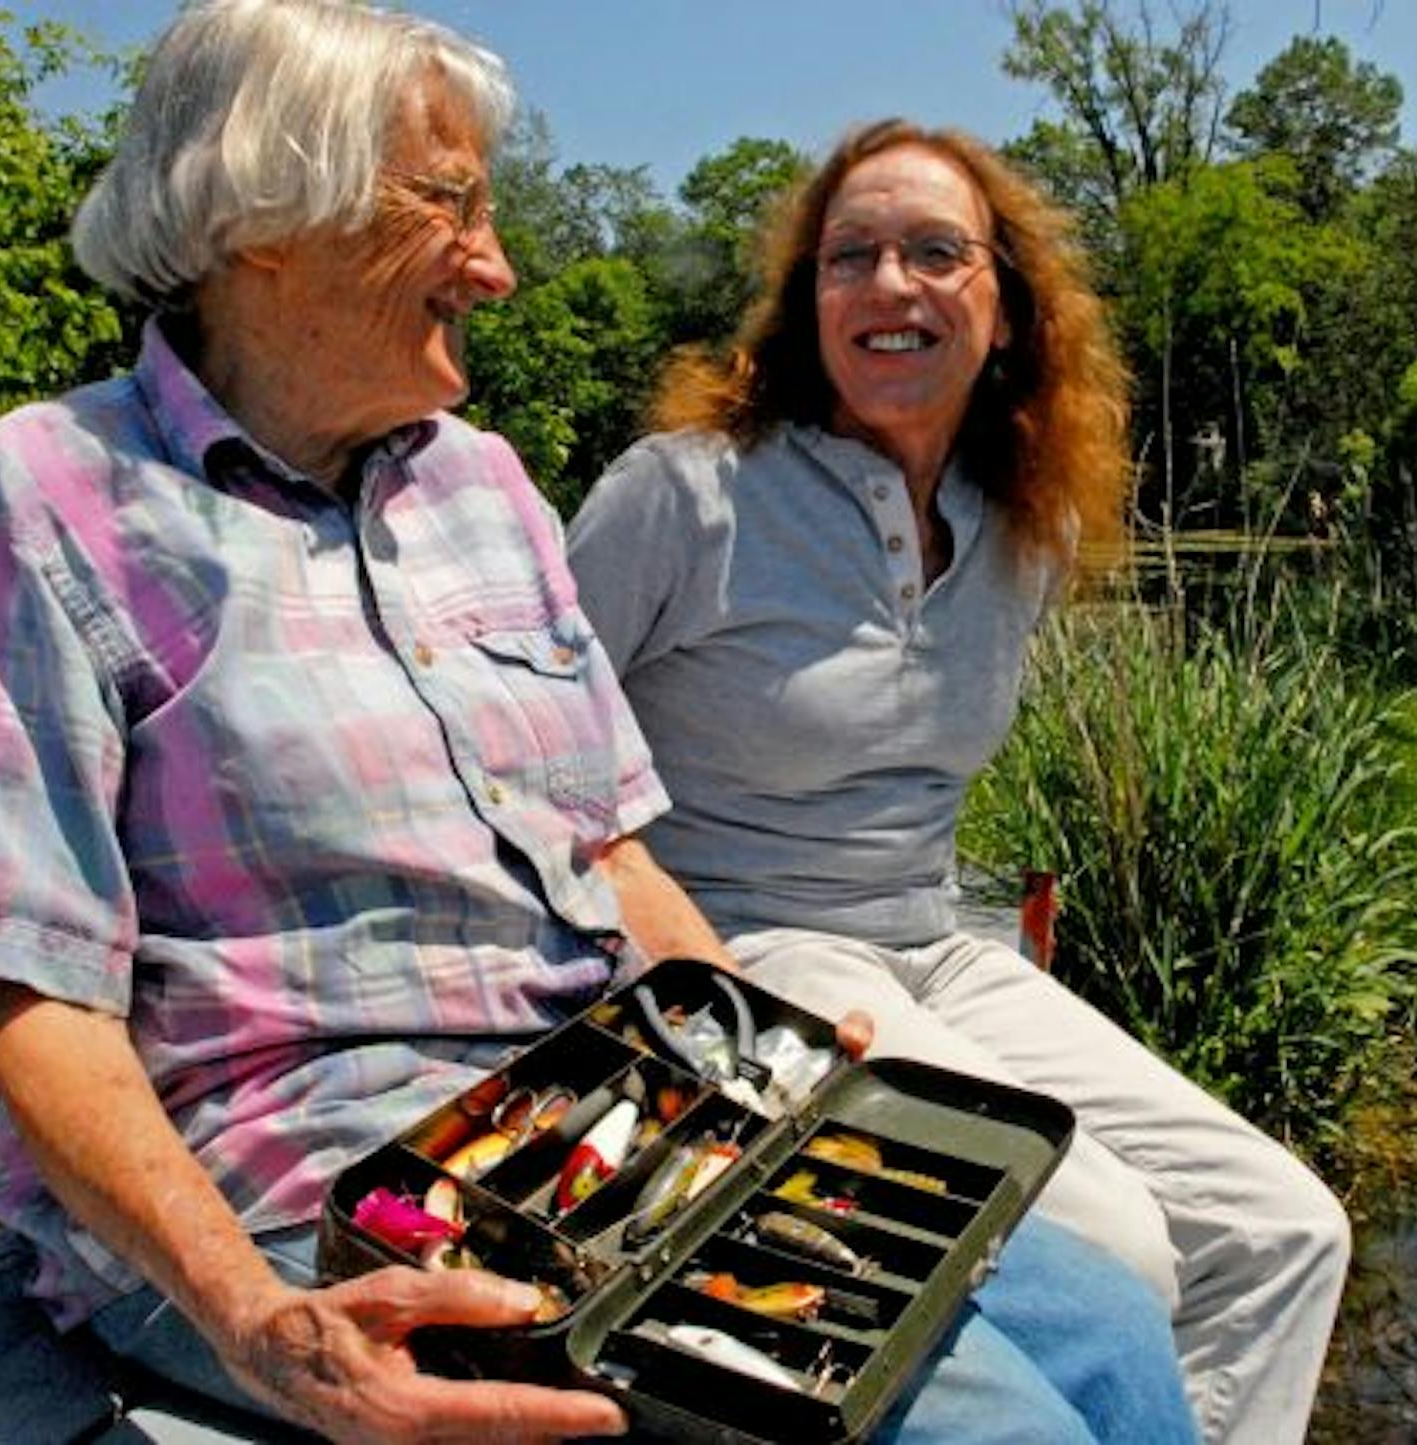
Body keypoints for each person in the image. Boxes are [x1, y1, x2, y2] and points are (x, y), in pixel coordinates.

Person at [0, 7, 1193, 1442]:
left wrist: (777, 1079)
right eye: (447, 206)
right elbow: (26, 994)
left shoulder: (482, 486)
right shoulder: (40, 498)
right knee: (1004, 1428)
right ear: (266, 216)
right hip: (312, 1202)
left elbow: (616, 861)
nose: (498, 268)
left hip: (614, 1126)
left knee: (1119, 1330)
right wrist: (264, 1330)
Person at [566, 118, 1354, 1442]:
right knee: (1121, 1242)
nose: (889, 285)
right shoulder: (687, 495)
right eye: (850, 256)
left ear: (1008, 312)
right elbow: (526, 755)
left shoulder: (1016, 526)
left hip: (936, 945)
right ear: (806, 304)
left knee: (1286, 1229)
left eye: (936, 252)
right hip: (750, 948)